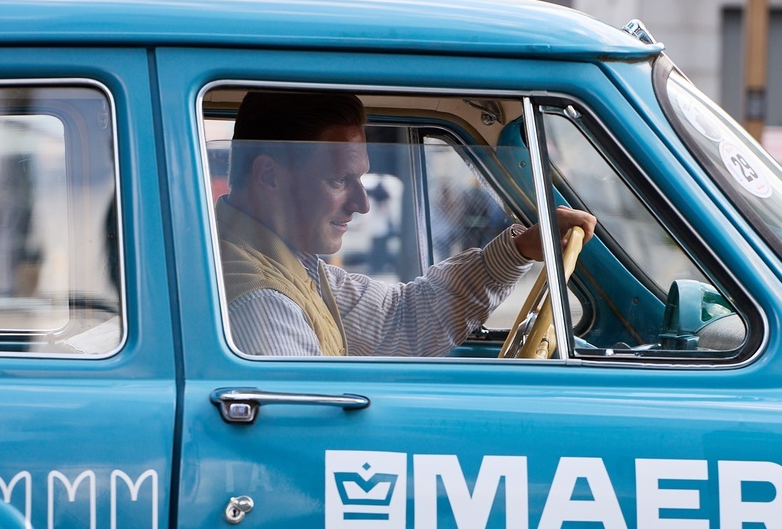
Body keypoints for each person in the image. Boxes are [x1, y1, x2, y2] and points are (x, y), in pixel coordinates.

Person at [215, 90, 595, 357]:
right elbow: (305, 435)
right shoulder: (261, 302)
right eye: (339, 180)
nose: (362, 204)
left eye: (360, 179)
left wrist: (519, 250)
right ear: (269, 176)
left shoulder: (285, 263)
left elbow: (400, 320)